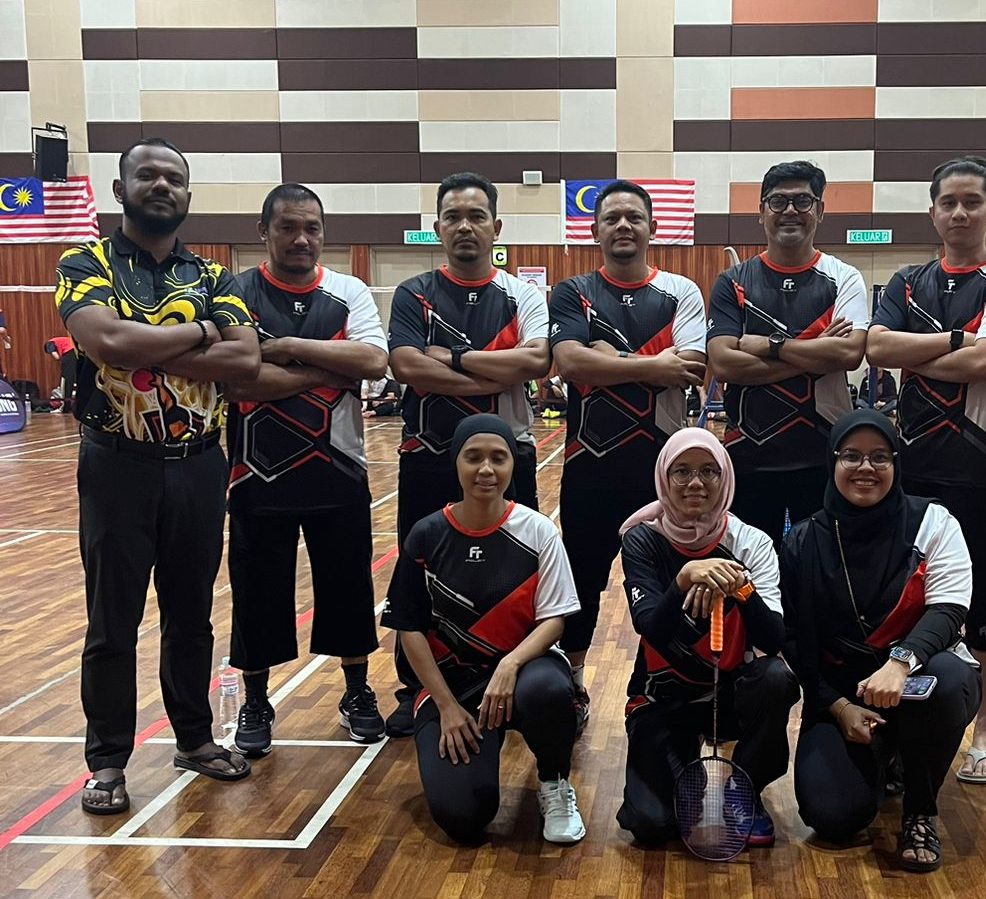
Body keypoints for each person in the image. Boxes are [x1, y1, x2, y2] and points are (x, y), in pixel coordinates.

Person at [54, 138, 260, 814]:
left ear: (188, 195)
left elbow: (245, 361)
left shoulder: (215, 276)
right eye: (147, 175)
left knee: (191, 614)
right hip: (116, 465)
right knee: (112, 619)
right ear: (121, 190)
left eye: (174, 177)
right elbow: (106, 342)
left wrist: (147, 348)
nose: (162, 185)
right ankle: (107, 761)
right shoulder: (85, 263)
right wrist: (201, 334)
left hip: (199, 464)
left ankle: (195, 739)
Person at [864, 157, 986, 785]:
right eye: (949, 203)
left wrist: (925, 351)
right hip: (911, 466)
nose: (960, 213)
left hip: (977, 467)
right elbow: (876, 348)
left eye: (972, 202)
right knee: (902, 596)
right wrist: (961, 342)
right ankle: (899, 728)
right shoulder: (908, 280)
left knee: (984, 597)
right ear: (932, 211)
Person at [222, 183, 390, 755]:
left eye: (311, 228)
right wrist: (326, 368)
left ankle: (357, 692)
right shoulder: (235, 292)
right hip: (255, 475)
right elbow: (237, 378)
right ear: (263, 232)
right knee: (256, 593)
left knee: (349, 588)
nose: (301, 238)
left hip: (338, 471)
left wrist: (289, 346)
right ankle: (255, 700)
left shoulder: (348, 291)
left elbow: (372, 361)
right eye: (288, 227)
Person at [384, 172, 551, 736]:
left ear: (496, 227)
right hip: (428, 456)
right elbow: (406, 366)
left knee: (514, 573)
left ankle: (512, 678)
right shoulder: (414, 292)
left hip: (509, 459)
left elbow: (535, 362)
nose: (465, 226)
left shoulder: (522, 295)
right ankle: (417, 689)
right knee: (419, 575)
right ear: (438, 228)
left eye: (476, 216)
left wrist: (451, 359)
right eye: (453, 217)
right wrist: (493, 371)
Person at [782, 410, 980, 871]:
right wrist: (838, 707)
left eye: (880, 457)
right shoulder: (803, 541)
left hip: (917, 678)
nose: (865, 468)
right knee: (833, 817)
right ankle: (885, 755)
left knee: (947, 682)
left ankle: (920, 810)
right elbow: (795, 642)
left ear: (896, 463)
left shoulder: (933, 521)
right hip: (844, 695)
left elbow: (950, 608)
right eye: (851, 456)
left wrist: (901, 661)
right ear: (832, 462)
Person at [549, 180, 707, 736]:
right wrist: (651, 365)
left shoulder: (681, 291)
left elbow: (689, 365)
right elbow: (570, 363)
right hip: (588, 470)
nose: (623, 226)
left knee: (670, 585)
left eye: (633, 218)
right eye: (612, 218)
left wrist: (606, 357)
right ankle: (573, 681)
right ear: (594, 230)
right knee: (581, 585)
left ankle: (667, 681)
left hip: (662, 475)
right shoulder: (572, 292)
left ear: (652, 229)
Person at [381, 415, 586, 845]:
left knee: (549, 690)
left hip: (523, 672)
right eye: (473, 457)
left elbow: (554, 620)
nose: (486, 469)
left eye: (499, 458)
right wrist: (446, 706)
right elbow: (409, 628)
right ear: (456, 464)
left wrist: (511, 664)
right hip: (452, 685)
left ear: (513, 465)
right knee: (463, 816)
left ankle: (554, 783)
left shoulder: (538, 531)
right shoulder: (426, 534)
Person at [616, 427, 798, 848]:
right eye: (681, 471)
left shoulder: (750, 542)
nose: (695, 482)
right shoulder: (643, 539)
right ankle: (683, 771)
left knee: (776, 679)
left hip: (733, 695)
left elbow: (773, 639)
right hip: (666, 695)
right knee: (651, 826)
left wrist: (742, 589)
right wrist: (683, 579)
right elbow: (651, 628)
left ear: (725, 477)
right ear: (664, 477)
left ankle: (745, 787)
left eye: (708, 471)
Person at [707, 160, 868, 545]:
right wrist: (816, 351)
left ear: (820, 210)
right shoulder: (733, 282)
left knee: (821, 572)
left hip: (823, 457)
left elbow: (848, 355)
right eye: (778, 202)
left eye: (802, 201)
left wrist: (770, 345)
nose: (790, 210)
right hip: (748, 458)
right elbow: (723, 362)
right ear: (761, 212)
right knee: (751, 574)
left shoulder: (844, 277)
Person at [44, 335, 76, 412]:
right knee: (74, 380)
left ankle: (65, 407)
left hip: (69, 355)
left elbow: (56, 357)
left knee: (66, 381)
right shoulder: (63, 340)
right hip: (77, 353)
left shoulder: (49, 343)